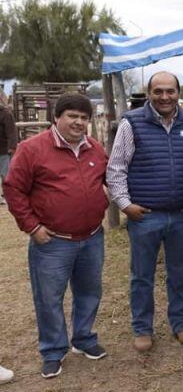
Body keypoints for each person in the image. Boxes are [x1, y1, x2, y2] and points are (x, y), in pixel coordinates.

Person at [4, 93, 109, 379]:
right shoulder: (32, 149)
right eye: (72, 116)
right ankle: (52, 350)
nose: (78, 122)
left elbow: (109, 178)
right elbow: (13, 189)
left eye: (84, 118)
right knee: (49, 298)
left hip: (92, 236)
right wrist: (32, 227)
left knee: (89, 292)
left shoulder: (95, 149)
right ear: (56, 117)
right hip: (53, 242)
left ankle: (84, 339)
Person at [107, 72, 183, 353]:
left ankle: (181, 323)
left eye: (171, 91)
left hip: (181, 215)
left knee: (180, 273)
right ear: (149, 93)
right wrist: (125, 205)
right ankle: (142, 328)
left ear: (179, 92)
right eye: (158, 91)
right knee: (142, 276)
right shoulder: (132, 123)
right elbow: (116, 168)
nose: (165, 97)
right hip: (145, 215)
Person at [0, 98, 17, 205]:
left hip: (3, 150)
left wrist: (12, 147)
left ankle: (6, 196)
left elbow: (11, 131)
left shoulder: (5, 114)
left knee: (5, 175)